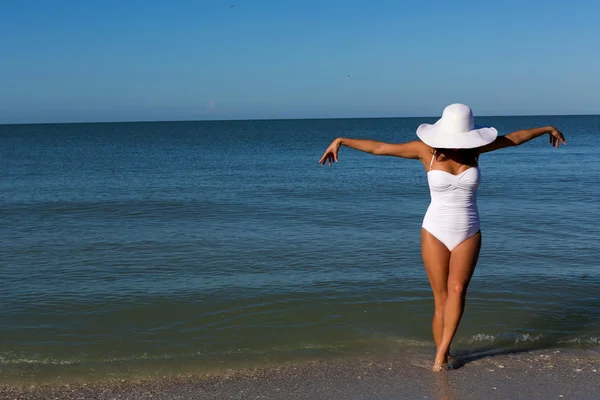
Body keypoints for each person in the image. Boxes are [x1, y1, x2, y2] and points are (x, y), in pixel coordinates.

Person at [318, 103, 566, 371]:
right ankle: (444, 354)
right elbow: (380, 148)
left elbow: (515, 138)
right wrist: (340, 141)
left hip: (469, 229)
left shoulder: (476, 149)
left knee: (458, 291)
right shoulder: (425, 151)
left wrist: (546, 128)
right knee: (440, 298)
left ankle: (440, 354)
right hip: (434, 229)